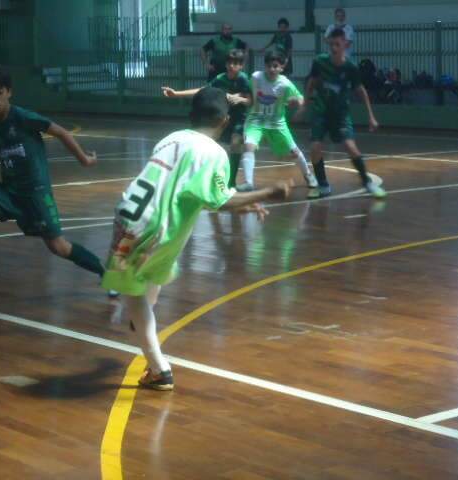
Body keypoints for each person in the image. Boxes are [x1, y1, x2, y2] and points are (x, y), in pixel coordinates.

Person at [101, 88, 292, 390]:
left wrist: (240, 203)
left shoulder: (171, 139)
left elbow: (193, 192)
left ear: (191, 116)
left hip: (135, 220)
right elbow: (219, 200)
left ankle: (144, 335)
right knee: (137, 296)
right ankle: (159, 367)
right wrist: (268, 192)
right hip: (156, 227)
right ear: (225, 121)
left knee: (140, 294)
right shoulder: (214, 152)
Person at [0, 65, 109, 293]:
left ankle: (105, 273)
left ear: (9, 92)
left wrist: (83, 159)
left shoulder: (23, 117)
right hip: (8, 191)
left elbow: (62, 132)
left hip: (35, 193)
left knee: (58, 247)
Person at [300, 28, 385, 199]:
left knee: (350, 147)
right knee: (315, 147)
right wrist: (304, 104)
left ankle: (366, 182)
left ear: (345, 45)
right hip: (321, 112)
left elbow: (361, 91)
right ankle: (323, 185)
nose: (334, 48)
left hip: (340, 115)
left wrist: (371, 116)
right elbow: (312, 83)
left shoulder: (351, 68)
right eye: (331, 44)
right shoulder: (320, 62)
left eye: (337, 44)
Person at [162, 49, 251, 188]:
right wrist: (176, 94)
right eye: (229, 63)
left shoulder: (244, 79)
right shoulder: (220, 78)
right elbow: (203, 90)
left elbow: (251, 101)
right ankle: (208, 178)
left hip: (239, 119)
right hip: (222, 119)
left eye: (235, 63)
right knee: (214, 148)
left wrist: (239, 99)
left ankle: (231, 181)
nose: (232, 66)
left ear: (241, 65)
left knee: (236, 142)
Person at [240, 50, 318, 192]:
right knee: (249, 146)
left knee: (294, 151)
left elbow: (300, 99)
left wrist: (299, 107)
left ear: (282, 68)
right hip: (256, 120)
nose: (272, 69)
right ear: (265, 66)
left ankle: (308, 174)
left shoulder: (285, 84)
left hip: (277, 123)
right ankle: (248, 182)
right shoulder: (256, 78)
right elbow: (249, 94)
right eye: (269, 66)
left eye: (275, 66)